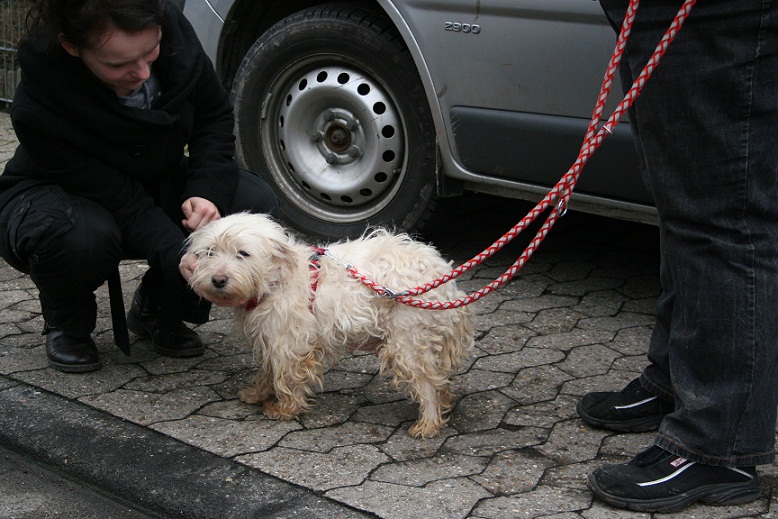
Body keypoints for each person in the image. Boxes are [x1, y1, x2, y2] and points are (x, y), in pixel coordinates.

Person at [0, 0, 279, 373]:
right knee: (80, 236)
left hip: (151, 175)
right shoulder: (37, 104)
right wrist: (175, 251)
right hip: (62, 191)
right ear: (72, 46)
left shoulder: (174, 30)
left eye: (151, 52)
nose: (144, 72)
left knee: (249, 203)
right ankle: (67, 320)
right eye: (119, 65)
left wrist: (205, 191)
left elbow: (213, 116)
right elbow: (120, 199)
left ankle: (159, 308)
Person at [576, 0, 778, 513]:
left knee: (719, 212)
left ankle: (719, 444)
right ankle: (677, 381)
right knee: (683, 203)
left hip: (713, 13)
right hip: (660, 12)